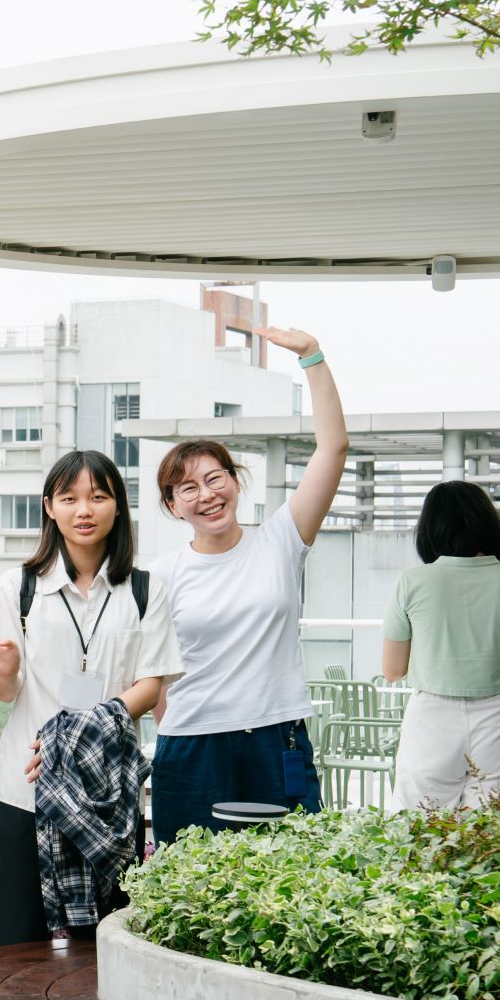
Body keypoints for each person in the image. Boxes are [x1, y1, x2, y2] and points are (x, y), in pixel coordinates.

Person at [0, 452, 180, 949]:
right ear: (49, 508)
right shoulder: (19, 588)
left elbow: (150, 684)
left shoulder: (145, 590)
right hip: (26, 786)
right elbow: (7, 694)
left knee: (99, 950)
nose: (85, 509)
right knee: (13, 948)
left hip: (104, 795)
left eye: (99, 497)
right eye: (70, 498)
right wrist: (4, 668)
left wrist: (75, 739)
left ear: (118, 508)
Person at [149, 325, 348, 846]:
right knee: (186, 887)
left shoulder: (280, 539)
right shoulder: (161, 574)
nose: (206, 494)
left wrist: (312, 358)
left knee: (293, 876)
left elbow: (333, 448)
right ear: (172, 506)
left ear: (236, 481)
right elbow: (151, 675)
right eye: (187, 488)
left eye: (215, 478)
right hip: (192, 744)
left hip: (274, 734)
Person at [383, 482, 500, 810]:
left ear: (430, 529)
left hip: (431, 718)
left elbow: (393, 670)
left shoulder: (412, 581)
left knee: (421, 831)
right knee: (494, 833)